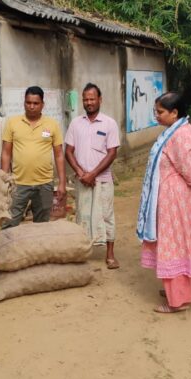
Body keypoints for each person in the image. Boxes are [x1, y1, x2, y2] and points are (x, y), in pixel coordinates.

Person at [137, 91, 191, 313]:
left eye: (160, 112)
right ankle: (176, 290)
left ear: (174, 113)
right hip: (173, 197)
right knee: (175, 243)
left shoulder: (180, 135)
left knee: (173, 245)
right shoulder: (176, 131)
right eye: (155, 111)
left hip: (176, 199)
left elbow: (188, 170)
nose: (156, 116)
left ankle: (177, 300)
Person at [65, 83, 121, 269]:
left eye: (92, 99)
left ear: (100, 100)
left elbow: (112, 153)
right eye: (85, 99)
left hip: (102, 180)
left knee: (106, 215)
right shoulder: (75, 123)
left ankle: (110, 254)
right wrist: (82, 173)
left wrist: (93, 174)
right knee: (82, 214)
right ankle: (82, 251)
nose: (88, 102)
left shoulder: (109, 123)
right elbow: (68, 151)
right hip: (82, 180)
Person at [0, 86, 66, 227]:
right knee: (9, 222)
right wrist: (4, 179)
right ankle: (9, 249)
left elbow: (59, 155)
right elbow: (6, 153)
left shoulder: (52, 124)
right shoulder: (13, 123)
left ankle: (39, 249)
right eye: (28, 103)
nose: (31, 106)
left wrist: (62, 182)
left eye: (35, 103)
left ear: (42, 104)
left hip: (44, 184)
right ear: (24, 103)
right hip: (18, 183)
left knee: (41, 225)